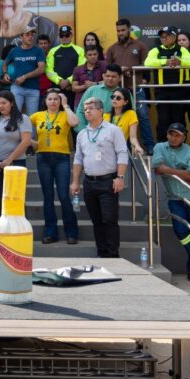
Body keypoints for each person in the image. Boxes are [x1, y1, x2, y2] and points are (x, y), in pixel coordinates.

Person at [70, 97, 129, 258]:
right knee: (96, 220)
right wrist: (75, 181)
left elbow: (122, 153)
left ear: (101, 110)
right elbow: (78, 159)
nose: (87, 111)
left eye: (90, 108)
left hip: (108, 181)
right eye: (85, 109)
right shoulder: (82, 133)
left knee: (109, 220)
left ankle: (112, 254)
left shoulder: (113, 130)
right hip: (89, 181)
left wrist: (120, 177)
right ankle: (102, 252)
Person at [152, 122, 190, 279]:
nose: (174, 138)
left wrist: (168, 170)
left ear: (184, 137)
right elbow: (157, 168)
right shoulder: (160, 147)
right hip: (174, 197)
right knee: (181, 230)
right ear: (167, 134)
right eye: (171, 134)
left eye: (177, 135)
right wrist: (180, 171)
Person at [30, 90, 80, 245]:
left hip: (61, 158)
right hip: (43, 157)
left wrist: (66, 105)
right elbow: (20, 127)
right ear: (45, 101)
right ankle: (50, 232)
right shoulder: (37, 116)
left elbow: (74, 123)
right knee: (48, 196)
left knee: (64, 196)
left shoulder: (65, 113)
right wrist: (32, 142)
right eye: (50, 99)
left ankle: (71, 232)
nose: (53, 102)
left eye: (56, 99)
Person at [0, 91, 33, 242]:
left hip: (16, 164)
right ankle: (0, 236)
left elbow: (25, 142)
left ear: (12, 103)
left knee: (16, 200)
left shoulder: (22, 119)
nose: (1, 106)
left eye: (4, 103)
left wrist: (9, 160)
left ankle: (20, 235)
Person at [107, 18, 155, 153]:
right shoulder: (112, 49)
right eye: (118, 31)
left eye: (123, 30)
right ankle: (124, 146)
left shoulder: (140, 46)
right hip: (119, 90)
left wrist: (129, 69)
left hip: (137, 87)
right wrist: (118, 69)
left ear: (129, 29)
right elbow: (108, 69)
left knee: (142, 115)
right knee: (121, 117)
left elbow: (148, 66)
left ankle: (149, 145)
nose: (120, 33)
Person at [145, 25, 190, 143]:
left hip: (178, 90)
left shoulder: (182, 50)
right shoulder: (156, 50)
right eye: (162, 37)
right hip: (161, 91)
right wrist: (164, 62)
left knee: (178, 120)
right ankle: (161, 146)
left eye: (166, 36)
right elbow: (147, 63)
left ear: (173, 37)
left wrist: (180, 61)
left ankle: (181, 146)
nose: (163, 39)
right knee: (163, 120)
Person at [1, 28, 46, 115]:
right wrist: (5, 73)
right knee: (14, 115)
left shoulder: (38, 51)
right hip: (17, 87)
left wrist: (24, 77)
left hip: (33, 88)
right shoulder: (14, 51)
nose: (30, 37)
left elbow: (41, 69)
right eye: (27, 35)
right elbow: (4, 64)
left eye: (32, 35)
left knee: (32, 118)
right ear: (21, 36)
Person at [74, 64, 123, 132]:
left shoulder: (124, 94)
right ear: (103, 76)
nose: (110, 78)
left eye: (113, 76)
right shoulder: (92, 90)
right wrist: (82, 131)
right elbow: (81, 110)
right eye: (108, 76)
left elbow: (129, 114)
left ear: (120, 78)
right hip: (91, 132)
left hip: (115, 134)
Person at [46, 25, 85, 103]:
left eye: (67, 35)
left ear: (71, 35)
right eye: (62, 35)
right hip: (57, 88)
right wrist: (59, 81)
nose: (64, 38)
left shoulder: (80, 50)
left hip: (73, 87)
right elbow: (48, 69)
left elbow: (81, 68)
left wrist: (68, 81)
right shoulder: (52, 51)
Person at [104, 87, 145, 157]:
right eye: (113, 97)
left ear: (126, 102)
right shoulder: (105, 115)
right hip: (104, 151)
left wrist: (137, 146)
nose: (114, 99)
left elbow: (133, 137)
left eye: (118, 98)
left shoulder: (131, 114)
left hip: (119, 151)